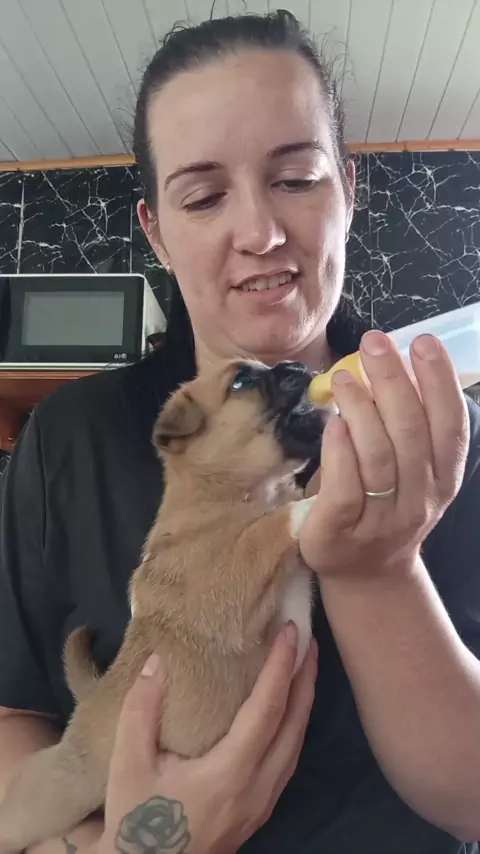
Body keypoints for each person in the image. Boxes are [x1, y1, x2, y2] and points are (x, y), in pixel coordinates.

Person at [1, 10, 480, 854]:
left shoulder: (447, 430)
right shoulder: (73, 435)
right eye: (204, 196)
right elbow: (14, 716)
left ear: (349, 191)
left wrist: (380, 567)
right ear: (155, 231)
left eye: (296, 179)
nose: (259, 233)